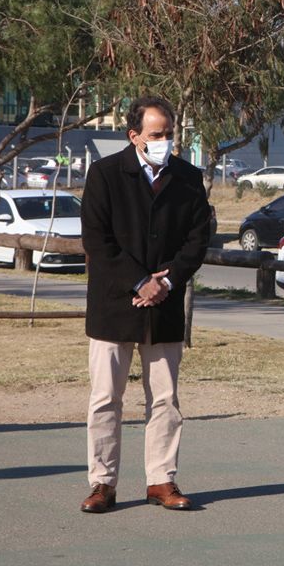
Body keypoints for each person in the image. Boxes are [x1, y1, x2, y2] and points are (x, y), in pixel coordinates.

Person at [79, 96, 212, 513]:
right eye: (156, 135)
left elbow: (198, 239)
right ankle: (102, 483)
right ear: (133, 136)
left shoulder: (189, 177)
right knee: (106, 399)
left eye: (170, 133)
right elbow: (97, 241)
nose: (165, 142)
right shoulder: (104, 175)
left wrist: (167, 281)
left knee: (166, 400)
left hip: (165, 306)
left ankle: (161, 480)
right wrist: (140, 280)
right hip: (114, 305)